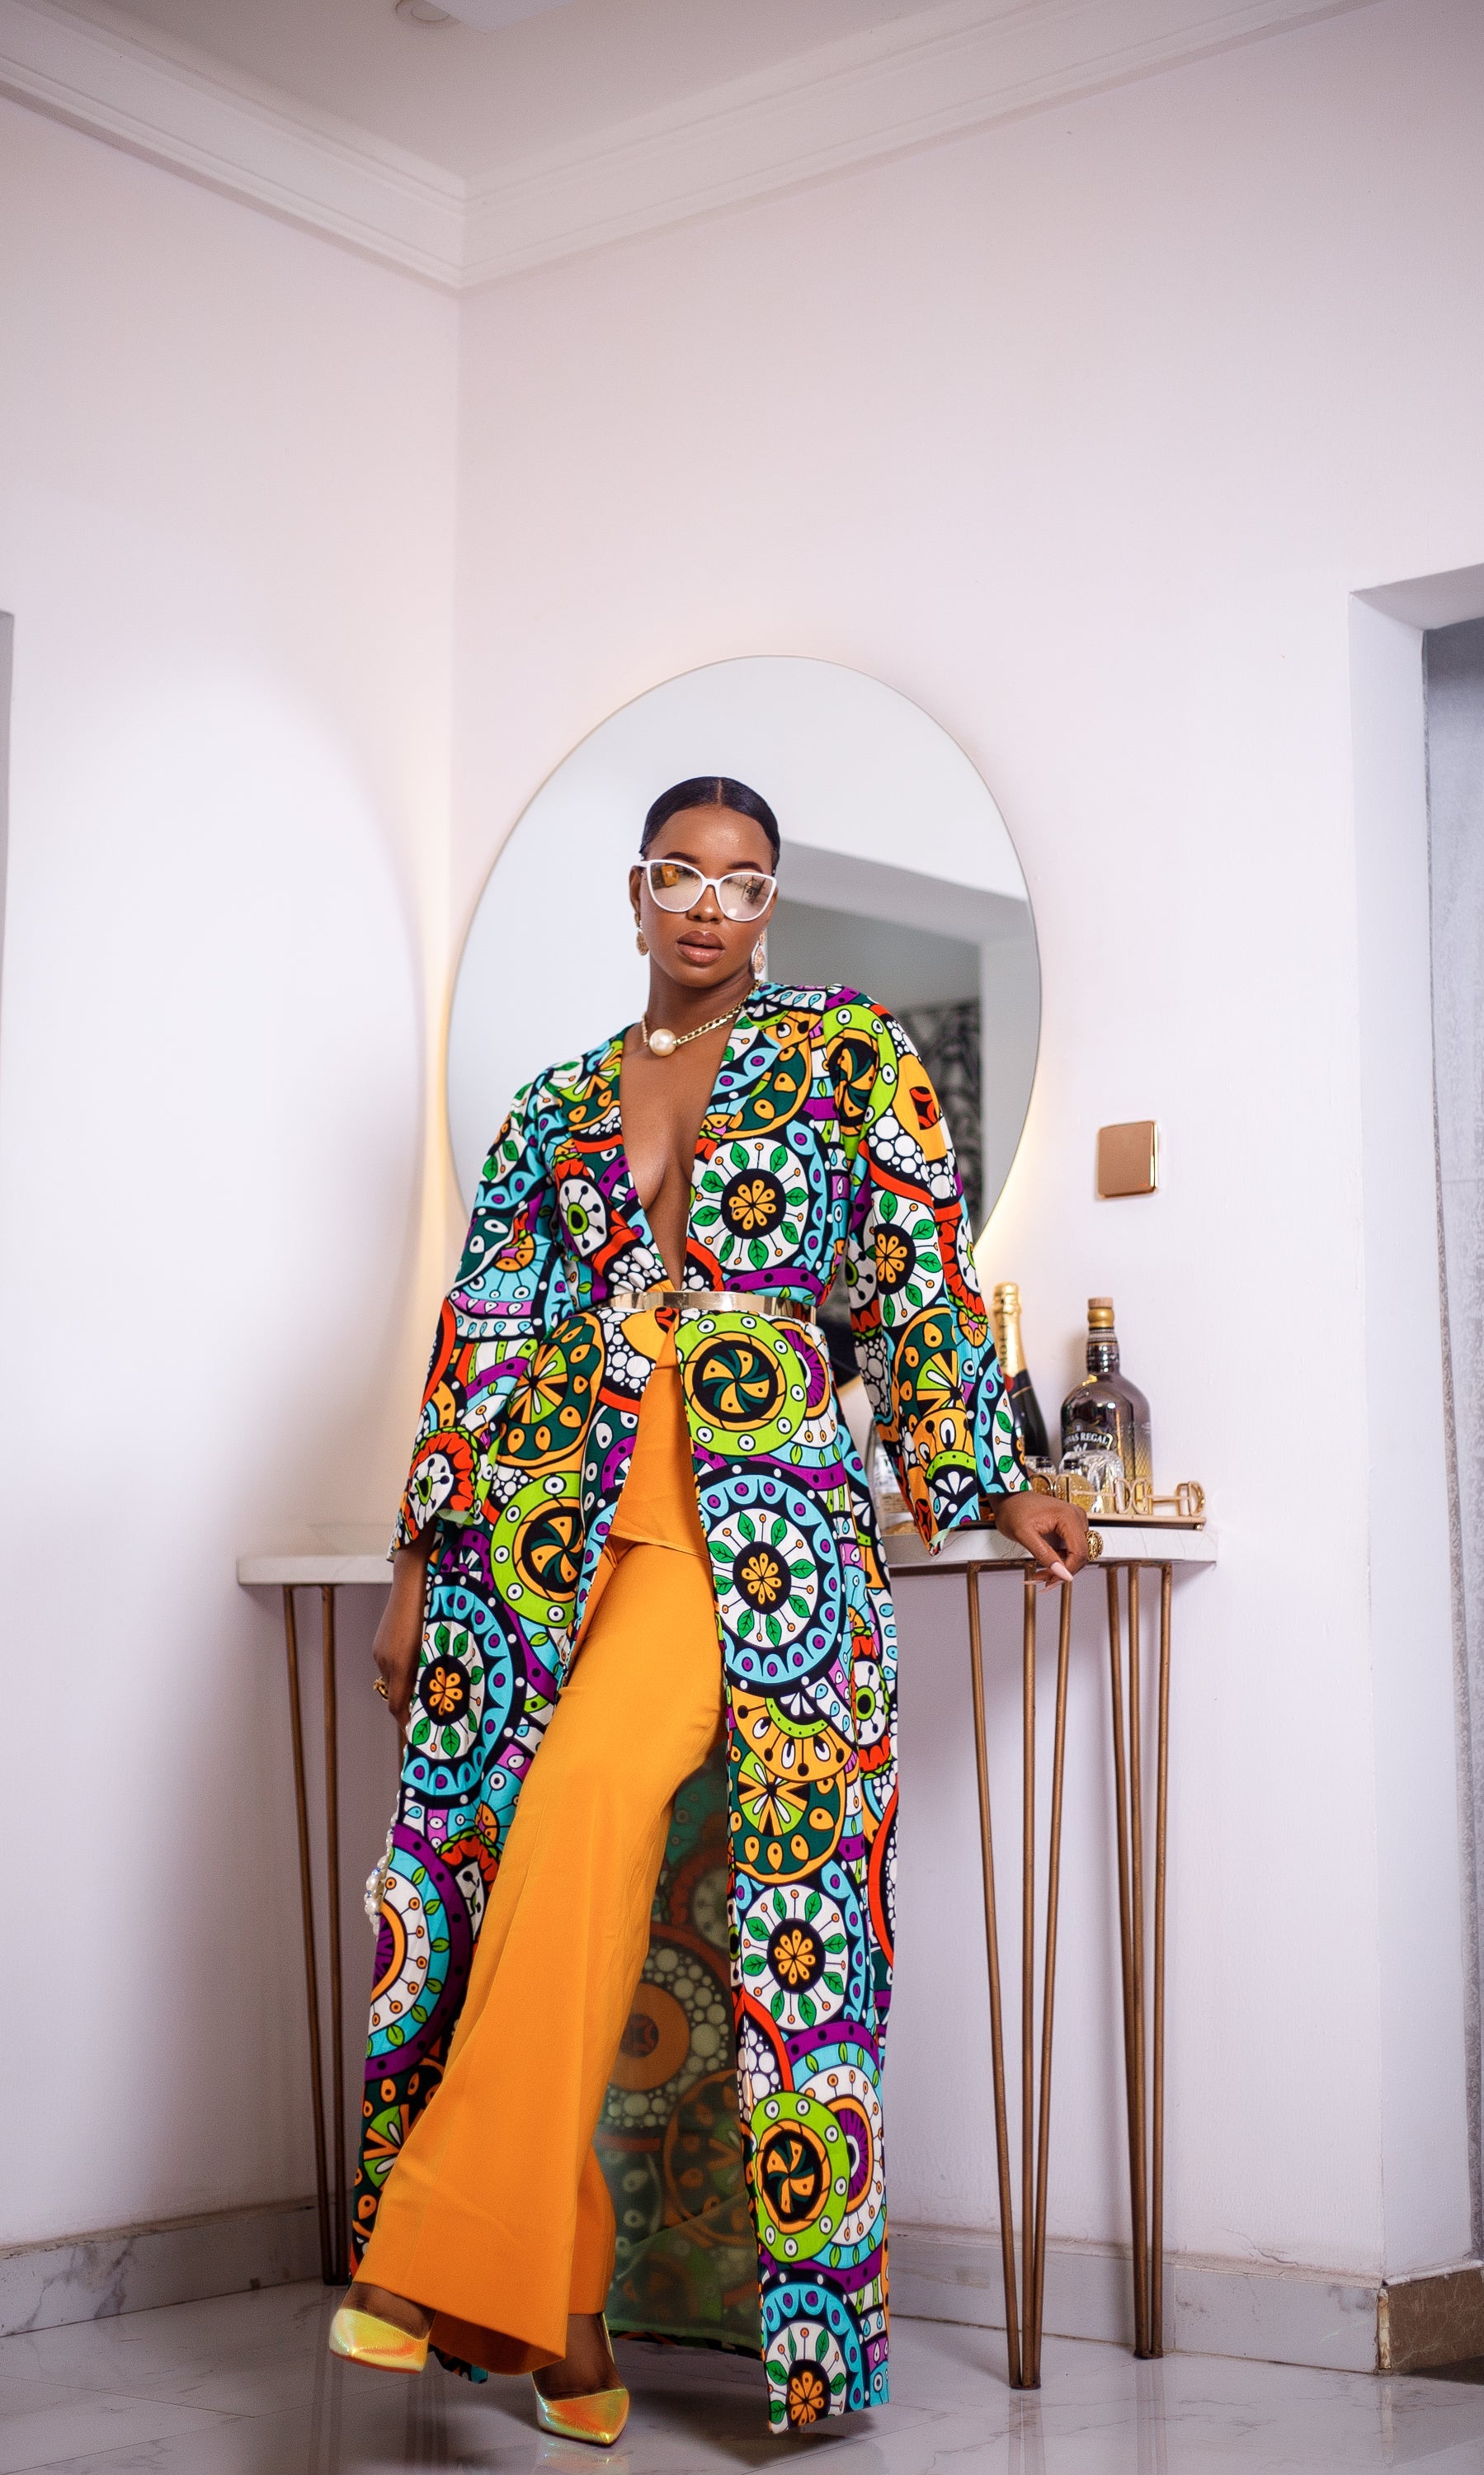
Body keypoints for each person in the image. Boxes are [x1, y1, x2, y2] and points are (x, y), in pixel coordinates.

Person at [327, 776, 1086, 2440]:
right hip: (532, 1541)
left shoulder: (846, 1056)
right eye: (680, 874)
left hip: (737, 1540)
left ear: (770, 910)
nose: (706, 907)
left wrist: (995, 1476)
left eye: (742, 887)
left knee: (583, 1819)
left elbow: (919, 1280)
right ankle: (568, 2321)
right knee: (515, 1877)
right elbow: (483, 1340)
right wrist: (411, 1568)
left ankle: (430, 2261)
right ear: (635, 888)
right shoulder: (548, 1106)